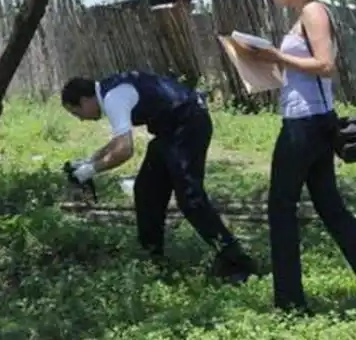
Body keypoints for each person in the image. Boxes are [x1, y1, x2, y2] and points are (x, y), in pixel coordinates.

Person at [236, 0, 356, 314]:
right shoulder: (306, 14)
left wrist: (277, 58)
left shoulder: (313, 12)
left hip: (304, 124)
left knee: (281, 207)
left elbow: (326, 66)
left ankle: (290, 303)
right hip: (313, 120)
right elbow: (306, 68)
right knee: (330, 207)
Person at [60, 72, 258, 284]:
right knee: (146, 191)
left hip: (188, 125)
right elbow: (117, 142)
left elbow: (125, 150)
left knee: (190, 199)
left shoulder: (114, 98)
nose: (81, 119)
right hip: (169, 132)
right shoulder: (111, 92)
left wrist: (89, 172)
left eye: (77, 113)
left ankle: (238, 262)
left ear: (84, 100)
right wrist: (89, 160)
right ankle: (152, 258)